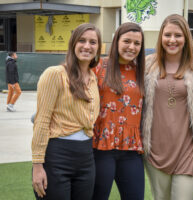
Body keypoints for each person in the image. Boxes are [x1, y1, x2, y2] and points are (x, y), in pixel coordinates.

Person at [142, 14, 193, 200]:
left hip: (189, 150)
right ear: (161, 37)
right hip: (156, 151)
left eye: (178, 35)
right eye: (167, 35)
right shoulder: (147, 66)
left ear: (186, 38)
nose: (172, 40)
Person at [31, 23, 101, 200]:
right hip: (57, 156)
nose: (87, 46)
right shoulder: (55, 74)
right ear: (73, 44)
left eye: (93, 42)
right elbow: (42, 120)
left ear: (98, 48)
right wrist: (37, 166)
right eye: (82, 40)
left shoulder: (93, 78)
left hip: (86, 157)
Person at [92, 22, 145, 200]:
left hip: (130, 148)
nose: (132, 47)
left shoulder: (142, 71)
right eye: (127, 41)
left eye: (137, 43)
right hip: (100, 148)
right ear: (116, 41)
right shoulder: (98, 66)